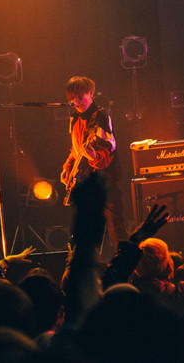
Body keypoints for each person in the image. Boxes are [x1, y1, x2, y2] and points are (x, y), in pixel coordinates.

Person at [61, 76, 127, 245]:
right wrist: (68, 169)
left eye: (80, 97)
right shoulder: (74, 119)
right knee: (84, 232)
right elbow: (75, 150)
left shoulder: (100, 116)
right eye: (73, 98)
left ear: (91, 93)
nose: (77, 101)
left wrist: (94, 156)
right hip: (85, 182)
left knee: (116, 228)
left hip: (105, 180)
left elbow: (108, 147)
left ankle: (124, 259)